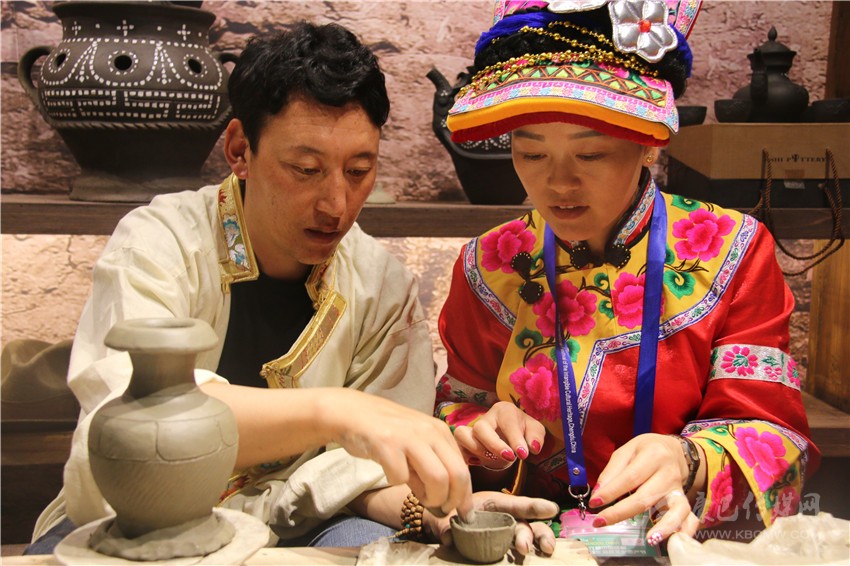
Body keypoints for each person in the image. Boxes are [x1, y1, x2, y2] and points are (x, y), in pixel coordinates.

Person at [28, 22, 558, 555]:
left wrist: (439, 513)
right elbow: (142, 420)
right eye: (305, 169)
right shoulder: (160, 243)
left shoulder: (380, 285)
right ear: (240, 149)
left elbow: (365, 476)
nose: (336, 204)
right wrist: (336, 412)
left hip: (299, 519)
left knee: (376, 550)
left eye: (359, 170)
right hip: (137, 515)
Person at [435, 0, 820, 547]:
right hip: (531, 540)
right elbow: (456, 405)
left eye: (591, 155)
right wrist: (481, 433)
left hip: (680, 536)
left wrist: (688, 457)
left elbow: (775, 433)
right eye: (532, 154)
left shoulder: (732, 250)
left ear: (647, 145)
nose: (558, 183)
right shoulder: (490, 262)